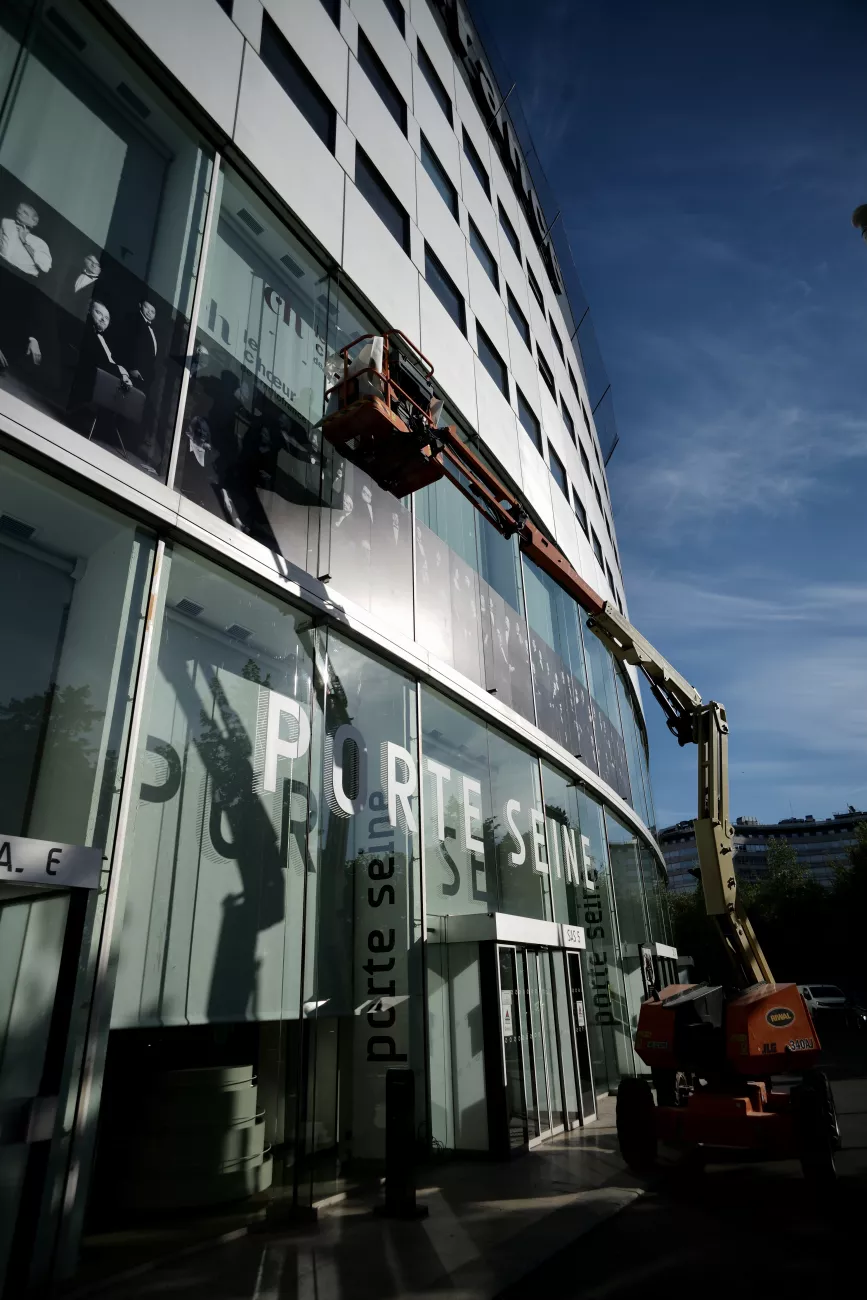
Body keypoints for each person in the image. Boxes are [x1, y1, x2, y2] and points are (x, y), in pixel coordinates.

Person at [67, 300, 132, 440]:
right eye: (98, 313)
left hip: (109, 377)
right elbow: (99, 362)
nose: (103, 319)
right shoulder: (87, 332)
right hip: (93, 377)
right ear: (89, 312)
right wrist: (122, 373)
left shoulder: (106, 340)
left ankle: (110, 429)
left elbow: (109, 361)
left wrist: (123, 372)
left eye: (107, 318)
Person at [0, 201, 52, 373]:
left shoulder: (40, 243)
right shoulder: (6, 222)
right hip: (2, 269)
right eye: (18, 210)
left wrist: (25, 241)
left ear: (34, 221)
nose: (18, 212)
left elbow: (45, 266)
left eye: (24, 212)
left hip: (22, 282)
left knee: (12, 322)